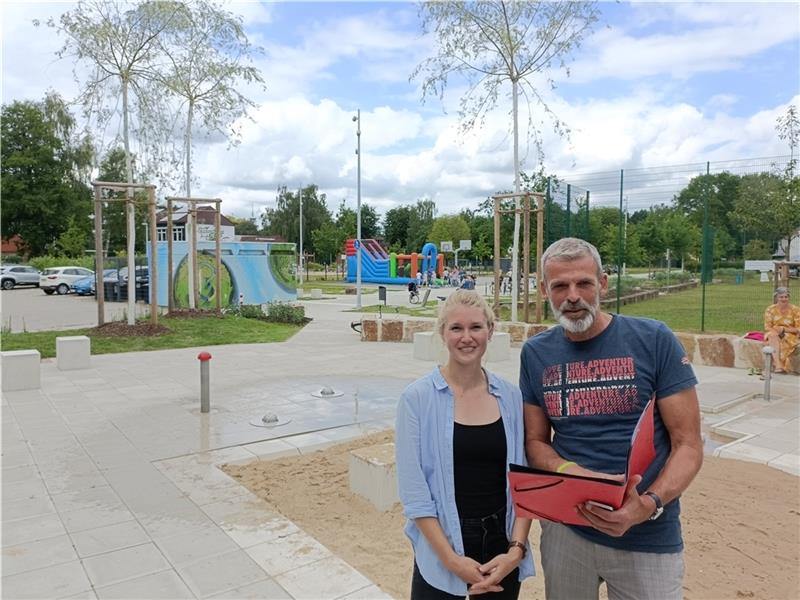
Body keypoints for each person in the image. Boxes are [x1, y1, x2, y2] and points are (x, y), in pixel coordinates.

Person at [519, 238, 703, 600]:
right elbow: (535, 442)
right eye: (560, 286)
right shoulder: (536, 353)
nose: (573, 296)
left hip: (648, 533)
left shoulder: (653, 339)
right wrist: (575, 473)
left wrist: (647, 504)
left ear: (602, 283)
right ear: (544, 290)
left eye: (584, 283)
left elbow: (689, 444)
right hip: (567, 527)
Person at [396, 289, 535, 598]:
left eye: (476, 327)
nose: (466, 337)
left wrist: (516, 550)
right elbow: (415, 493)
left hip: (502, 544)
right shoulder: (417, 399)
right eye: (456, 328)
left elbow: (523, 480)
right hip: (443, 542)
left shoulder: (510, 396)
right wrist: (452, 560)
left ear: (491, 330)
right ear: (442, 333)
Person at [763, 286, 800, 374]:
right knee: (772, 336)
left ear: (789, 297)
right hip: (773, 332)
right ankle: (778, 365)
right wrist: (777, 331)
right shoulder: (770, 309)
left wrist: (784, 329)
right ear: (777, 298)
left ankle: (778, 366)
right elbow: (767, 327)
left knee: (782, 340)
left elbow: (798, 328)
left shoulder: (796, 310)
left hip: (790, 334)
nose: (784, 299)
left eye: (786, 297)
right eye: (781, 297)